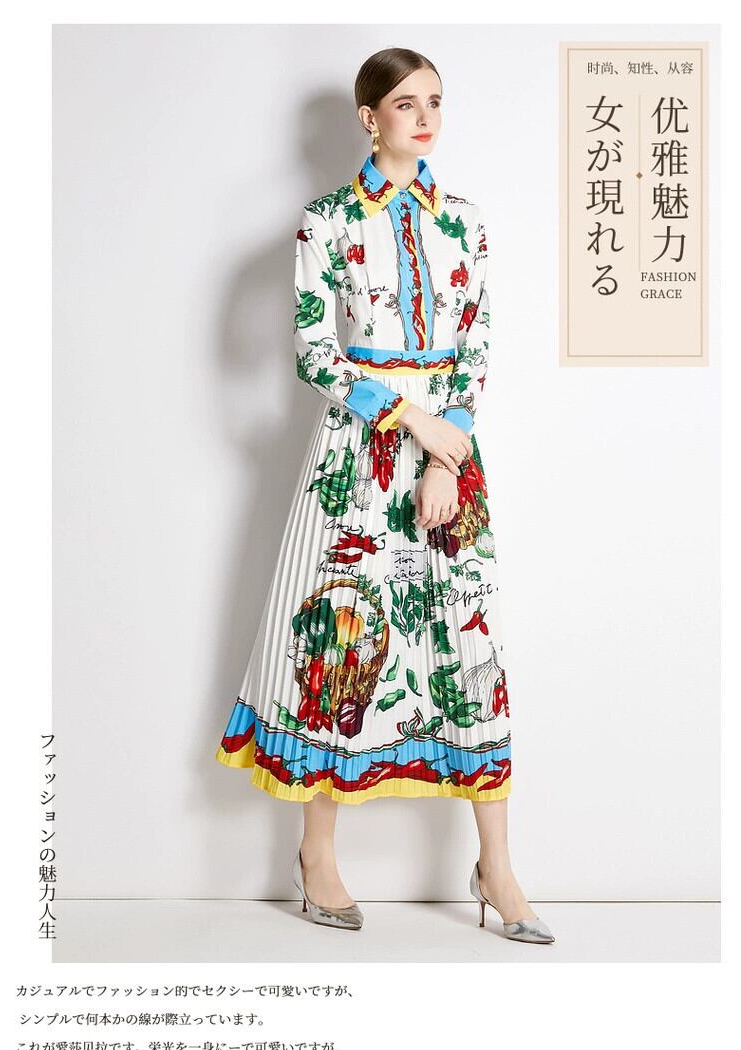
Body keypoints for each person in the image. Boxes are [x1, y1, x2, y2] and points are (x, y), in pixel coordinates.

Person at [215, 46, 555, 944]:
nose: (426, 117)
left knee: (470, 647)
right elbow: (312, 353)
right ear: (369, 118)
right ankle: (316, 855)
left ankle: (497, 866)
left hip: (450, 451)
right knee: (339, 637)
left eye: (435, 101)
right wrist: (410, 419)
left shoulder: (467, 221)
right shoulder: (325, 221)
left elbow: (476, 347)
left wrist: (446, 451)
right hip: (357, 452)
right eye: (407, 104)